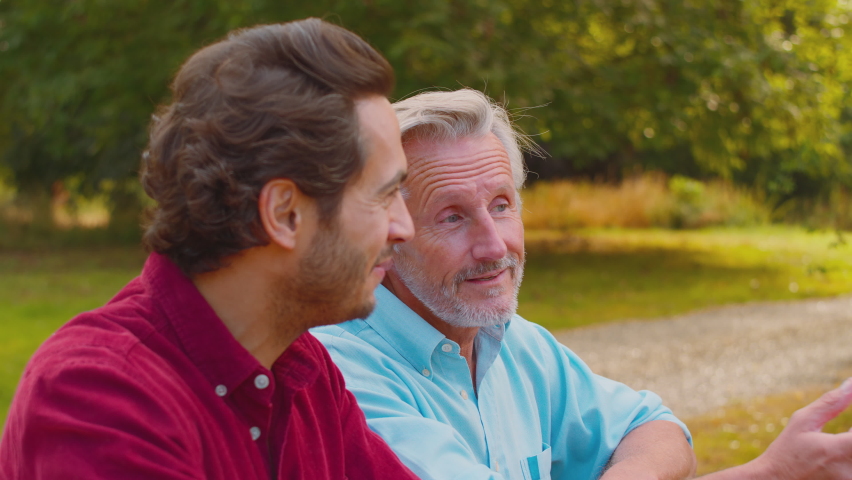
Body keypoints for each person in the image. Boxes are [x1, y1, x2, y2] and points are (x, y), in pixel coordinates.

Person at [313, 88, 852, 480]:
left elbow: (656, 429)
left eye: (502, 205)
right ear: (388, 234)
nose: (495, 246)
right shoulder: (340, 374)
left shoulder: (513, 342)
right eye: (452, 217)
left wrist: (772, 469)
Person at [0, 19, 421, 480]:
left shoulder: (303, 373)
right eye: (384, 195)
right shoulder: (97, 400)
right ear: (284, 214)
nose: (405, 227)